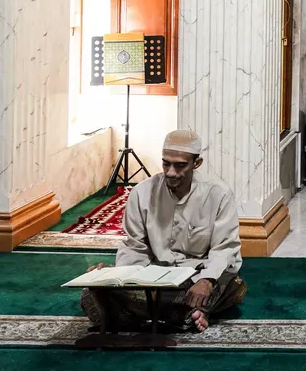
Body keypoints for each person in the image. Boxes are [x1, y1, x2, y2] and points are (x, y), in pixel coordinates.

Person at [80, 129, 245, 333]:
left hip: (198, 274)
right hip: (155, 274)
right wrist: (117, 277)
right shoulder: (142, 193)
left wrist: (206, 280)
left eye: (180, 165)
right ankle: (185, 314)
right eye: (166, 163)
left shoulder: (218, 194)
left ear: (197, 163)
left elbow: (224, 249)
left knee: (231, 283)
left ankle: (149, 313)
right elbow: (134, 246)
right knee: (92, 293)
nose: (171, 172)